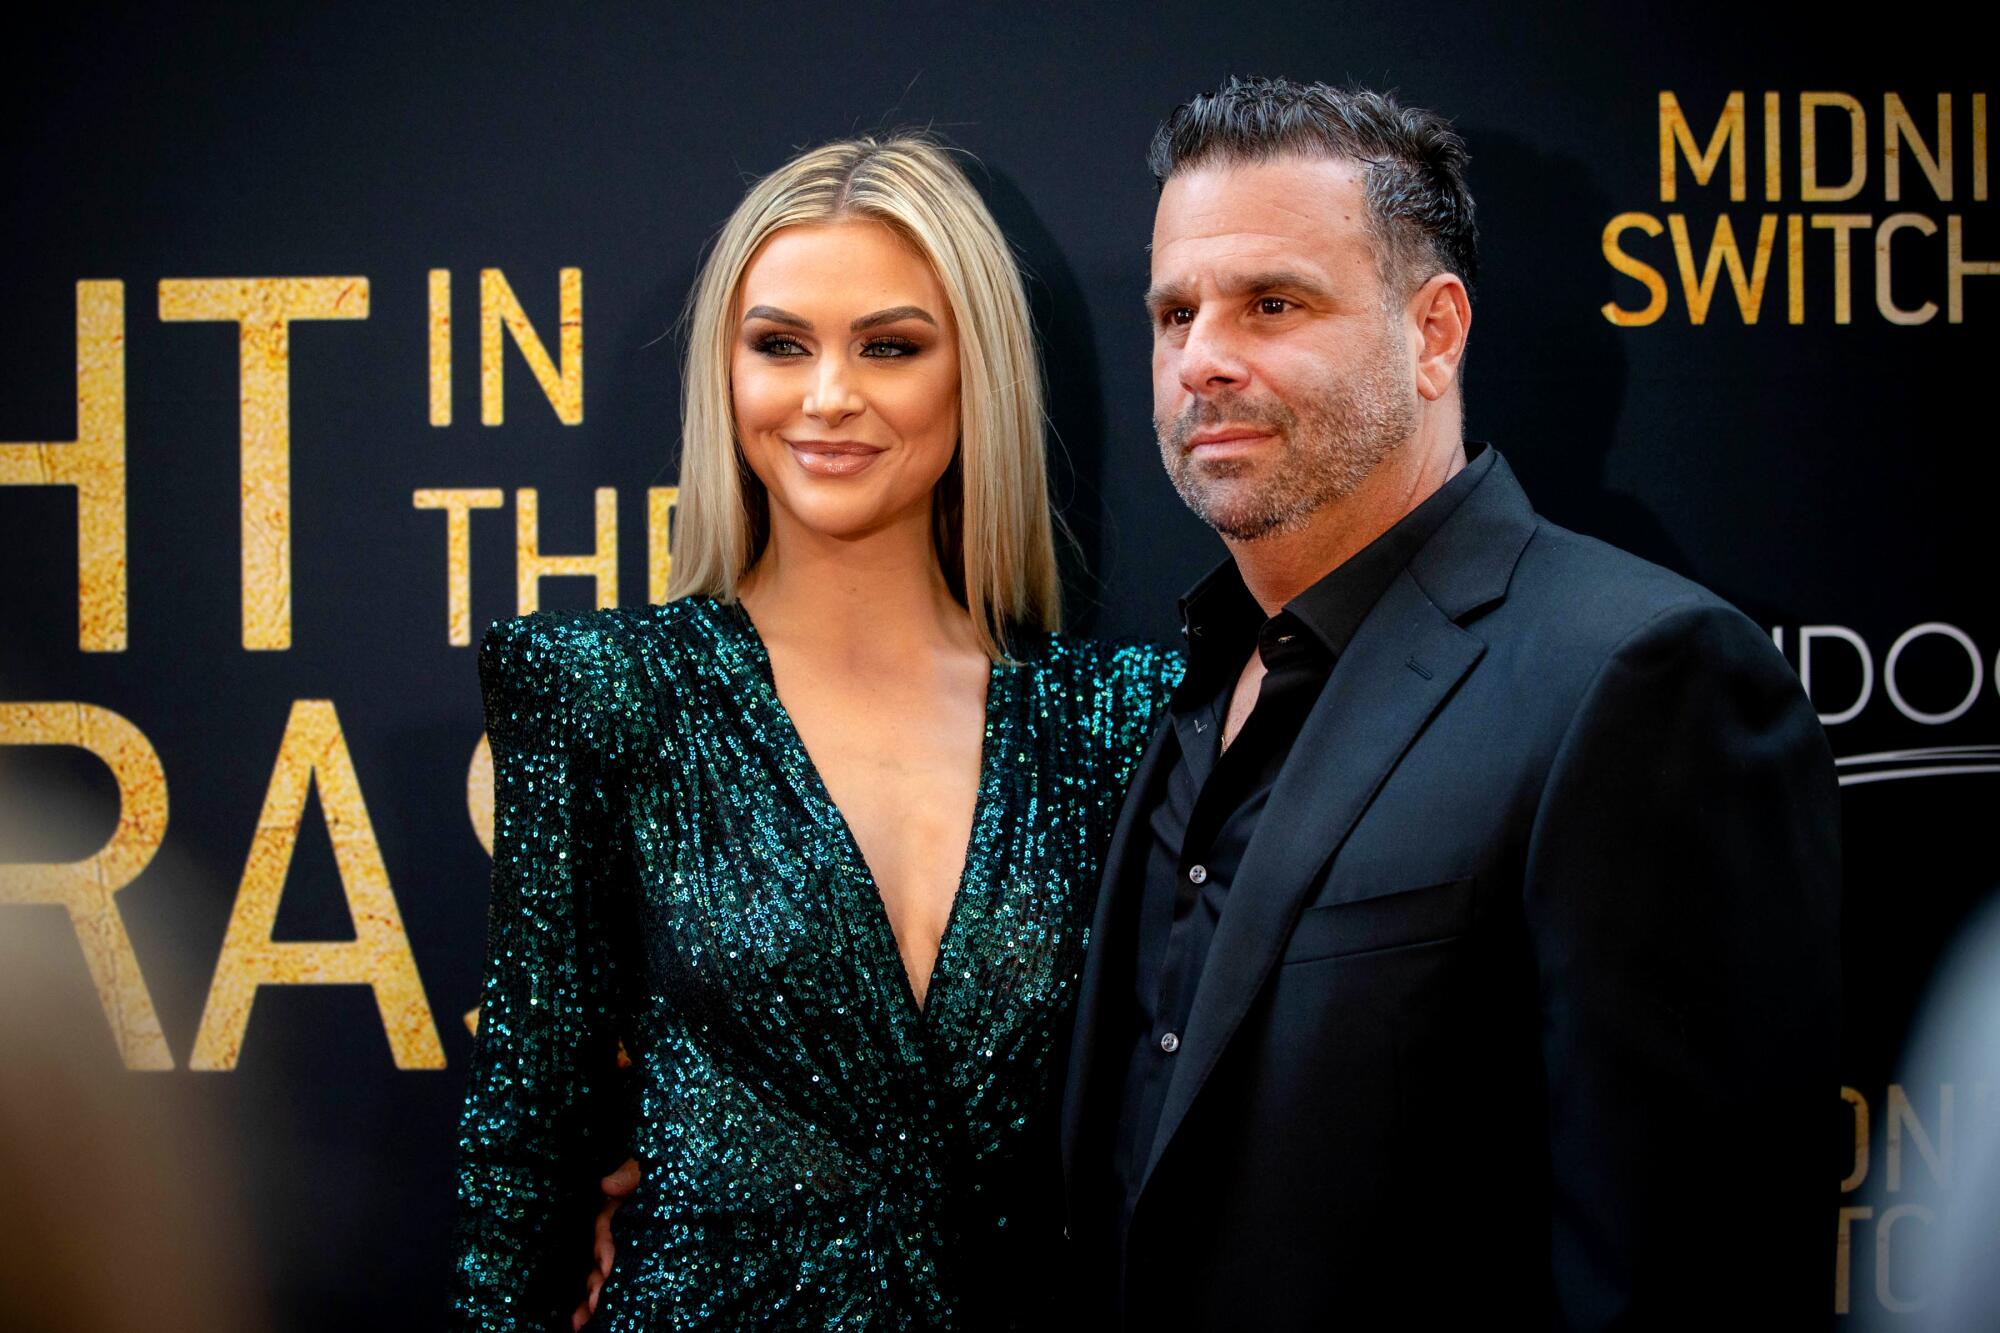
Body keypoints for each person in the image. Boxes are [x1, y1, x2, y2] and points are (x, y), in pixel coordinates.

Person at [1057, 77, 1842, 1328]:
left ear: (1432, 333)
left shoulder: (1639, 674)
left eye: (1272, 302)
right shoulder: (1191, 681)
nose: (1200, 358)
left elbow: (1695, 1275)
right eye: (1173, 312)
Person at [448, 134, 1179, 1331]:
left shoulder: (1117, 717)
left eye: (887, 346)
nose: (826, 395)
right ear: (723, 375)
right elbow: (524, 1149)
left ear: (974, 372)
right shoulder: (604, 693)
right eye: (779, 345)